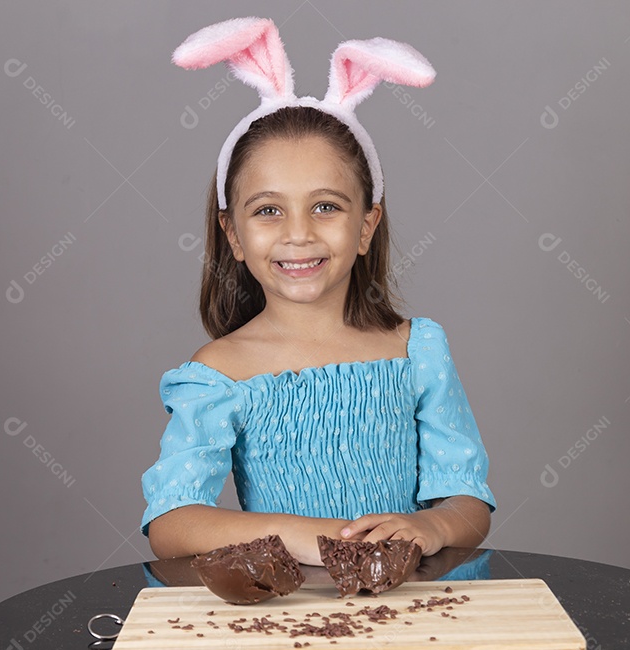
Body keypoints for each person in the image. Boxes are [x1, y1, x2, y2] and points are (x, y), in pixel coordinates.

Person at [140, 17, 496, 565]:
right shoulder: (221, 372)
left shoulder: (415, 351)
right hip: (281, 627)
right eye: (268, 211)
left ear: (367, 226)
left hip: (408, 620)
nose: (299, 233)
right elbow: (172, 521)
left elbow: (469, 501)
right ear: (232, 234)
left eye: (326, 206)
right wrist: (313, 537)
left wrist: (432, 524)